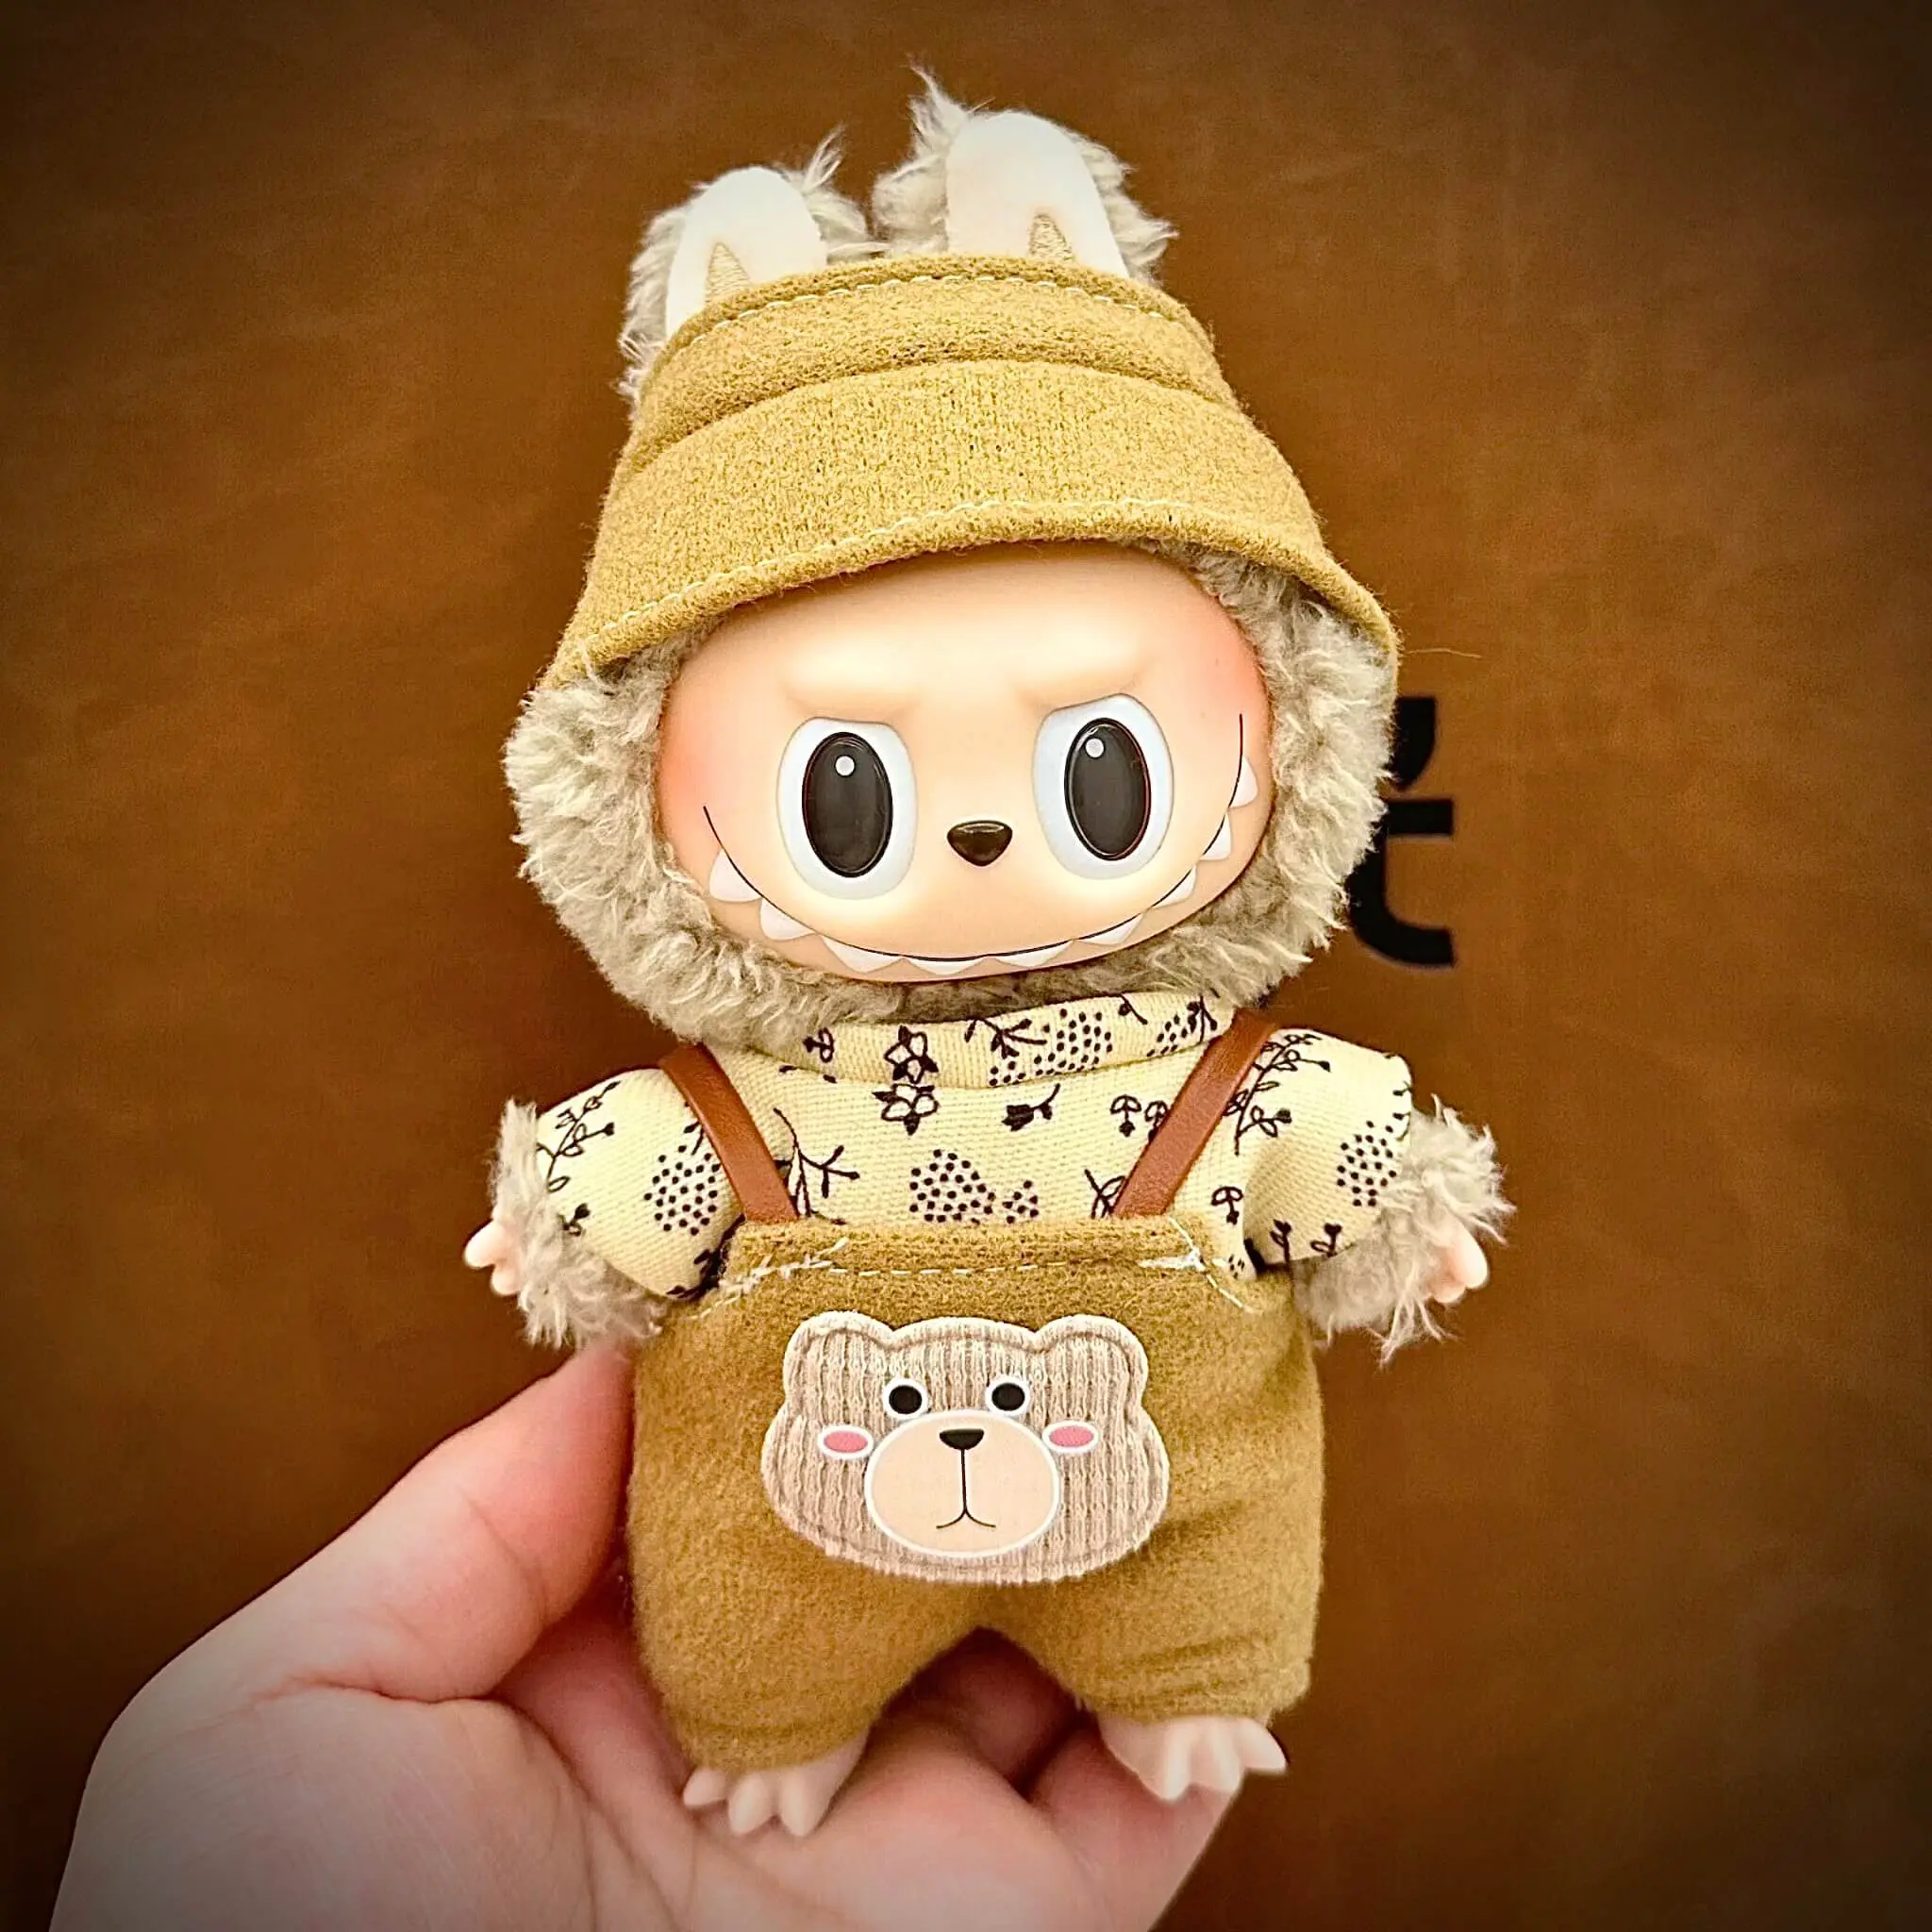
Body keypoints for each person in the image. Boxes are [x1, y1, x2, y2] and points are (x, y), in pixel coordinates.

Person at [54, 1348, 1245, 1929]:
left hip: (1118, 1485)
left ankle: (1175, 1682)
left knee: (1185, 1618)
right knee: (759, 1657)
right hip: (776, 1565)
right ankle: (780, 1732)